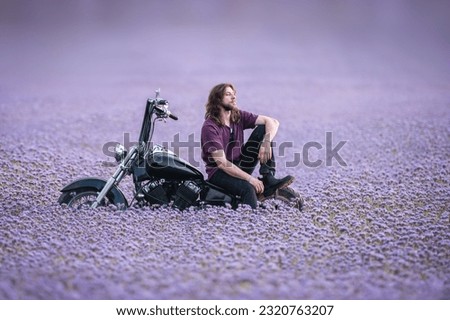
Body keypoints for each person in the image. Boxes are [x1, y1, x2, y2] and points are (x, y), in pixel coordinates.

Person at [201, 83, 294, 209]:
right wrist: (250, 179)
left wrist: (266, 142)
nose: (234, 97)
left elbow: (273, 122)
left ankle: (268, 178)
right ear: (217, 99)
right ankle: (249, 222)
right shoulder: (210, 127)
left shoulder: (237, 116)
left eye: (234, 94)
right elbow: (222, 163)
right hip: (220, 173)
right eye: (228, 94)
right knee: (248, 189)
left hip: (240, 163)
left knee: (264, 130)